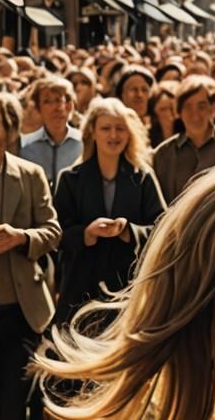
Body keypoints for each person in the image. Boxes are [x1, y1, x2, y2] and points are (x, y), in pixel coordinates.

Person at [52, 98, 165, 328]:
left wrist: (129, 231)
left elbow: (163, 227)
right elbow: (55, 234)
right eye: (106, 128)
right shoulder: (70, 178)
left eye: (120, 128)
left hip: (129, 288)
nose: (114, 135)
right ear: (92, 132)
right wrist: (86, 233)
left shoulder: (142, 177)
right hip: (81, 289)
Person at [0, 89, 60, 420]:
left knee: (13, 407)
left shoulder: (30, 175)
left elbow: (53, 231)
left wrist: (21, 237)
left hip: (19, 314)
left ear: (9, 130)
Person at [151, 76, 215, 203]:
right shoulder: (163, 154)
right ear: (179, 112)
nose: (195, 115)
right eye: (188, 107)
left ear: (212, 109)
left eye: (201, 106)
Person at [20, 77, 83, 191]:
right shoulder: (24, 147)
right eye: (48, 101)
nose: (57, 108)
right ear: (38, 108)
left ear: (70, 105)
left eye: (61, 100)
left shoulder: (84, 144)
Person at [146, 80, 179, 149]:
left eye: (171, 108)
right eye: (163, 109)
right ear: (154, 113)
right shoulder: (147, 137)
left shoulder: (186, 132)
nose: (168, 113)